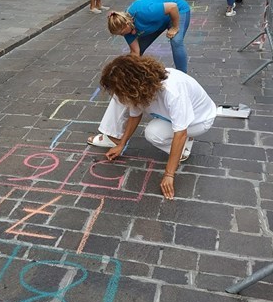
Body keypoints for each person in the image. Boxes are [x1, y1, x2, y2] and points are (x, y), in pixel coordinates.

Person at [87, 55, 216, 200]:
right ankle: (179, 148)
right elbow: (135, 115)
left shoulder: (172, 90)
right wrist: (121, 144)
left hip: (199, 121)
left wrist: (169, 174)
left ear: (132, 85)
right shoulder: (141, 86)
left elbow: (180, 133)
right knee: (152, 130)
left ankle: (182, 149)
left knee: (158, 133)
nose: (119, 96)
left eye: (121, 90)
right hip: (171, 117)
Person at [107, 0, 190, 73]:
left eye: (122, 33)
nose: (123, 35)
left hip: (177, 11)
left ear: (127, 24)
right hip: (156, 21)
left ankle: (183, 74)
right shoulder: (126, 30)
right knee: (140, 49)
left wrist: (175, 27)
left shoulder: (144, 11)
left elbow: (172, 7)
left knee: (176, 41)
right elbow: (135, 52)